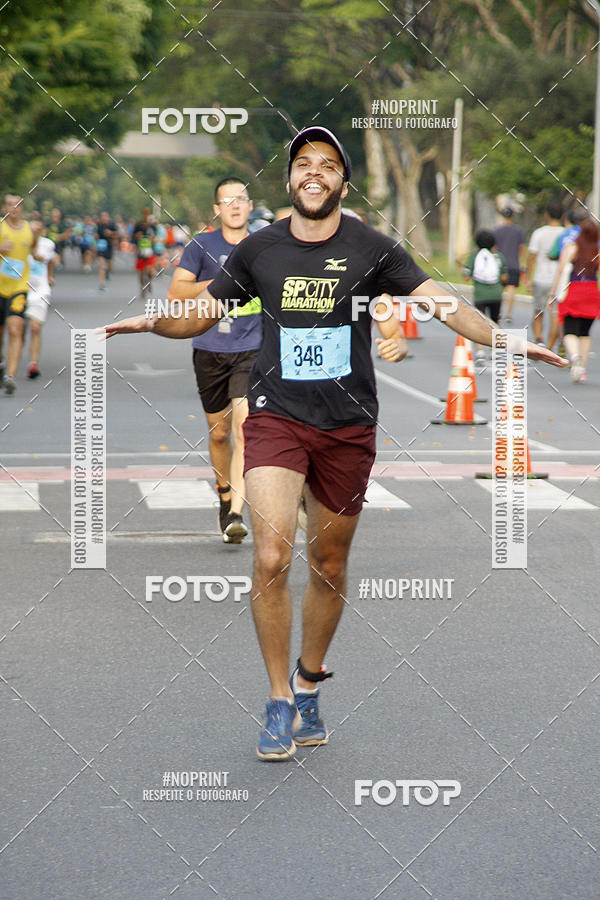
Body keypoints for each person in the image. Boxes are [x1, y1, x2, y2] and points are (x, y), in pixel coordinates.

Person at [100, 127, 566, 761]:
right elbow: (202, 313)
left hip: (347, 424)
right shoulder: (259, 250)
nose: (314, 173)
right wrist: (152, 321)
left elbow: (441, 303)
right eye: (302, 164)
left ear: (344, 182)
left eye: (327, 165)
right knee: (270, 556)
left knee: (330, 564)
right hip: (275, 415)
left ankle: (309, 680)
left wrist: (504, 338)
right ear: (289, 180)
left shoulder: (372, 246)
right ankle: (276, 700)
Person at [167, 177, 261, 543]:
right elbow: (176, 292)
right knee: (219, 432)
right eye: (228, 201)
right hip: (208, 349)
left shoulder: (263, 245)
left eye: (242, 199)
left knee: (243, 428)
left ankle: (238, 512)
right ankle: (224, 496)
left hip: (253, 348)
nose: (236, 206)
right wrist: (222, 284)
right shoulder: (201, 246)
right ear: (217, 210)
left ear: (250, 206)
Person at [549, 217, 600, 383]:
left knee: (570, 329)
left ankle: (575, 358)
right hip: (592, 290)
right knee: (585, 332)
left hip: (573, 289)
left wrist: (552, 293)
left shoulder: (572, 247)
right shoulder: (597, 250)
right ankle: (582, 369)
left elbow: (561, 270)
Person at [0, 195, 42, 393]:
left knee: (15, 328)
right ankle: (1, 361)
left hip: (19, 288)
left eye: (17, 205)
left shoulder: (29, 229)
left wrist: (38, 250)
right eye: (10, 205)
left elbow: (33, 250)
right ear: (4, 208)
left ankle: (10, 376)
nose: (14, 208)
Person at [463, 229, 507, 363]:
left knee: (480, 323)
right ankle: (495, 350)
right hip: (496, 295)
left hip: (480, 295)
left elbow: (466, 276)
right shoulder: (498, 256)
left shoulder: (474, 256)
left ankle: (480, 351)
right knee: (495, 322)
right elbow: (504, 277)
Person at [525, 202, 563, 347]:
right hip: (559, 280)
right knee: (555, 315)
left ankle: (539, 340)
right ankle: (550, 347)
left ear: (546, 215)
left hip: (540, 278)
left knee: (538, 311)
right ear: (563, 215)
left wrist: (527, 277)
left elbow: (532, 257)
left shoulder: (539, 233)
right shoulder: (564, 233)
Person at [25, 212, 55, 379]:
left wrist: (50, 276)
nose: (35, 231)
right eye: (32, 228)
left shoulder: (48, 244)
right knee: (17, 330)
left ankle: (33, 363)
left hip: (40, 291)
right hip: (20, 290)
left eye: (38, 228)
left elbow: (50, 260)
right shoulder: (21, 243)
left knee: (35, 328)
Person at [494, 207, 525, 323]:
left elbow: (495, 248)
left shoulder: (497, 230)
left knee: (499, 289)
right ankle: (508, 314)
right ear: (512, 216)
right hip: (514, 264)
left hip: (500, 264)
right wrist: (522, 262)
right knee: (511, 289)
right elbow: (521, 248)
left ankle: (498, 312)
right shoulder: (518, 231)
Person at [133, 208, 156, 299]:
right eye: (145, 214)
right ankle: (143, 288)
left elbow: (156, 237)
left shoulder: (152, 226)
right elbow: (133, 236)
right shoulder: (138, 225)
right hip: (141, 250)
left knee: (150, 269)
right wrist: (138, 236)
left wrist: (152, 239)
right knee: (142, 271)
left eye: (148, 213)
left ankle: (149, 283)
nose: (146, 215)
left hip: (150, 250)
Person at [96, 211, 118, 291]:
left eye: (105, 217)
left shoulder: (112, 225)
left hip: (109, 246)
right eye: (102, 217)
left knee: (109, 266)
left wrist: (111, 233)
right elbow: (94, 235)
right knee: (101, 266)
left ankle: (107, 273)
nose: (104, 218)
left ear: (108, 218)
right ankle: (102, 283)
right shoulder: (98, 225)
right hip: (101, 247)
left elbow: (117, 235)